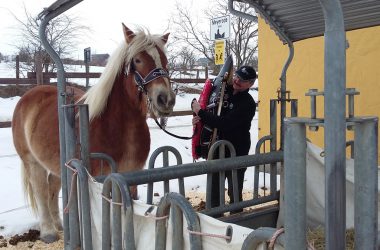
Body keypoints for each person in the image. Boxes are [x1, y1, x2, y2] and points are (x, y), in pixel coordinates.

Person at [191, 65, 257, 214]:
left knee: (234, 189)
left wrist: (200, 112)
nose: (237, 80)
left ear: (251, 84)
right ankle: (215, 217)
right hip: (217, 147)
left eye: (243, 80)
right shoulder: (223, 91)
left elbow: (225, 123)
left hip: (236, 150)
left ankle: (237, 219)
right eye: (237, 76)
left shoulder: (248, 103)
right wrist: (197, 115)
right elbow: (205, 101)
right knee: (214, 187)